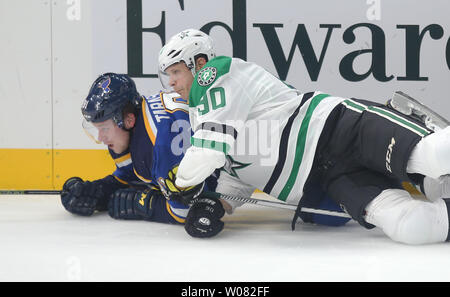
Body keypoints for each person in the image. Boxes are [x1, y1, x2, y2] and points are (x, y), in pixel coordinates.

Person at [157, 28, 450, 245]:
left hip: (338, 129)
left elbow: (209, 153)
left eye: (176, 71)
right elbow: (240, 172)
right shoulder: (206, 116)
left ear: (198, 62)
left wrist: (180, 181)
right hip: (329, 179)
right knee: (410, 225)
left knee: (434, 155)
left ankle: (426, 168)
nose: (171, 83)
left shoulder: (218, 75)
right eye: (167, 75)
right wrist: (215, 203)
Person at [60, 72, 224, 235]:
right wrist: (99, 191)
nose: (101, 138)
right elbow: (133, 173)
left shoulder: (158, 145)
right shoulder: (136, 122)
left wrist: (142, 204)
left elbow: (187, 210)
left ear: (128, 120)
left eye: (104, 129)